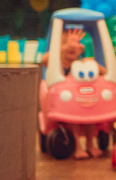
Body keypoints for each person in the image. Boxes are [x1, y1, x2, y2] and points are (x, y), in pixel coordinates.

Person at [40, 26, 102, 159]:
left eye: (76, 44)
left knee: (90, 109)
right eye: (65, 44)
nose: (71, 47)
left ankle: (90, 144)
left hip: (83, 100)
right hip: (63, 103)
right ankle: (77, 146)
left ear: (81, 49)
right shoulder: (56, 63)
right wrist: (64, 47)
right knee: (74, 109)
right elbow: (44, 60)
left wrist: (93, 65)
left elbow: (104, 73)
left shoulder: (83, 65)